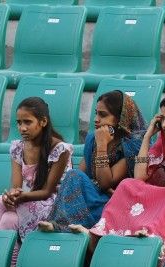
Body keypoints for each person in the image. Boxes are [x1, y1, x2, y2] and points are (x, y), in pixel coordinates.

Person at [70, 92, 165, 267]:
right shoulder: (164, 143)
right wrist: (147, 137)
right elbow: (139, 176)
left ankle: (153, 235)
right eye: (164, 119)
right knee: (129, 184)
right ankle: (105, 232)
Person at [38, 90, 147, 232]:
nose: (96, 119)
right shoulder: (92, 139)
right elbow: (81, 174)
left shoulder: (131, 146)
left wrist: (102, 146)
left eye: (103, 115)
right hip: (92, 197)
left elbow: (105, 183)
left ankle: (61, 226)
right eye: (96, 113)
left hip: (111, 204)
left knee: (74, 176)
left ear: (120, 118)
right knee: (73, 175)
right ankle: (60, 225)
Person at [0, 97, 72, 264]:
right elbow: (17, 186)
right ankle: (8, 264)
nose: (22, 128)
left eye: (27, 122)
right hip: (29, 199)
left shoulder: (60, 149)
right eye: (18, 123)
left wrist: (20, 197)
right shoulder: (18, 147)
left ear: (43, 121)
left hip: (51, 205)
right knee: (6, 217)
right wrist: (12, 195)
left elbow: (47, 192)